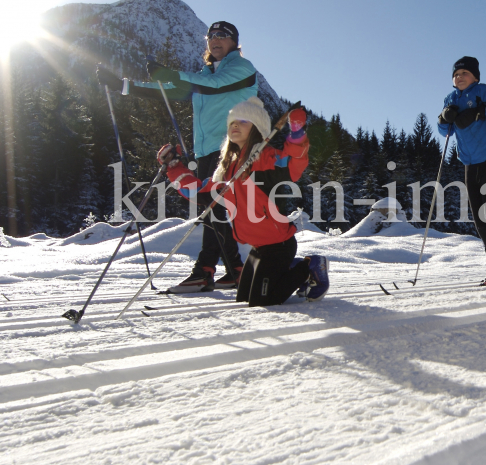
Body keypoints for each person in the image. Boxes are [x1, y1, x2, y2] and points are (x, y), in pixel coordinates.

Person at [100, 21, 258, 292]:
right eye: (211, 36)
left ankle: (206, 271)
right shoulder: (204, 74)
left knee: (212, 205)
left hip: (233, 146)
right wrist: (123, 86)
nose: (215, 40)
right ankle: (234, 270)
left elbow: (215, 86)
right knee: (213, 207)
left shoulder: (241, 69)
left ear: (234, 42)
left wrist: (171, 73)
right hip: (208, 150)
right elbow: (169, 90)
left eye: (223, 35)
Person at [157, 97, 328, 304]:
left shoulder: (265, 159)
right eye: (232, 122)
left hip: (278, 245)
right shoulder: (228, 169)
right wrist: (174, 167)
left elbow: (294, 164)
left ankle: (309, 267)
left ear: (257, 128)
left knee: (263, 301)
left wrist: (297, 133)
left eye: (244, 121)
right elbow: (198, 191)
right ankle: (290, 268)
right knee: (244, 300)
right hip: (257, 248)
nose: (236, 124)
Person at [437, 57, 486, 286]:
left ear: (475, 76)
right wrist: (444, 118)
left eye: (464, 73)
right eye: (456, 74)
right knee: (479, 216)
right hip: (469, 162)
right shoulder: (450, 98)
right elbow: (444, 132)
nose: (459, 77)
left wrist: (481, 113)